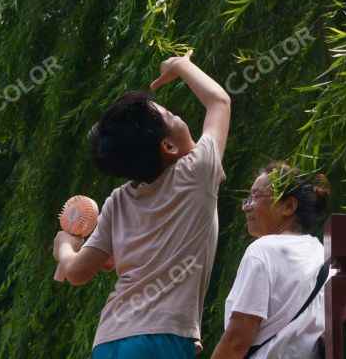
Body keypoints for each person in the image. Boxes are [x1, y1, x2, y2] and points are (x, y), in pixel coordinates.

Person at [53, 51, 231, 358]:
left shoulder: (117, 202)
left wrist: (64, 247)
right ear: (169, 147)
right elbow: (219, 102)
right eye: (173, 117)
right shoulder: (196, 172)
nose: (178, 116)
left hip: (109, 339)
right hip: (160, 338)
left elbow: (77, 272)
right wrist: (181, 65)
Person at [211, 162, 331, 359]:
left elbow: (237, 340)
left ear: (289, 206)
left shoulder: (262, 251)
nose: (246, 207)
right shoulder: (324, 255)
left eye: (255, 197)